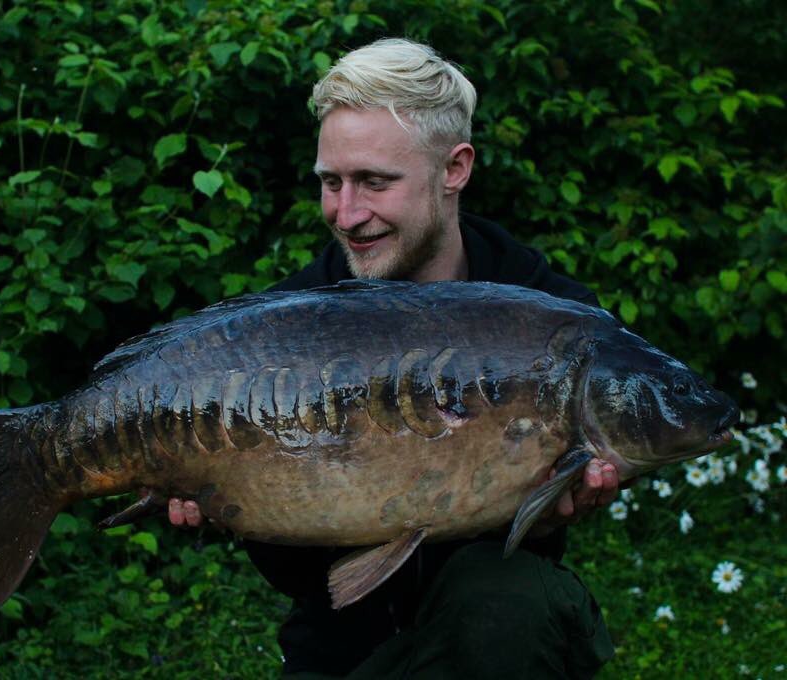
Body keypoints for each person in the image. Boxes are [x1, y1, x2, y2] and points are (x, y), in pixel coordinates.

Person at [168, 38, 618, 678]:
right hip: (339, 645)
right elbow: (303, 580)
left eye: (375, 182)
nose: (347, 214)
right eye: (331, 182)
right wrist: (233, 506)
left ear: (454, 169)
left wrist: (550, 512)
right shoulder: (277, 333)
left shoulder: (557, 322)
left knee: (507, 597)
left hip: (495, 634)